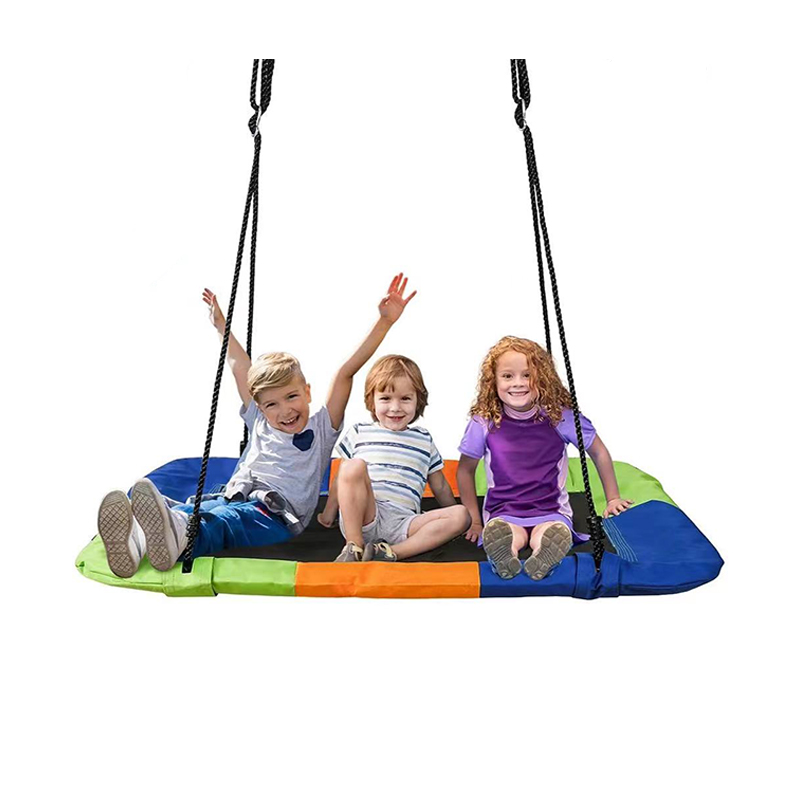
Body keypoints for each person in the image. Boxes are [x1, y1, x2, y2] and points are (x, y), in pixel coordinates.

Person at [96, 274, 416, 578]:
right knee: (202, 507)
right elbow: (239, 365)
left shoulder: (322, 426)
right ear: (260, 406)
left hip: (277, 515)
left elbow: (346, 372)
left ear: (307, 392)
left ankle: (177, 536)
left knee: (225, 522)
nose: (285, 410)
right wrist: (221, 326)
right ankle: (138, 542)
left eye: (292, 396)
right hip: (234, 495)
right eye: (272, 404)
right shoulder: (259, 419)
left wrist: (385, 322)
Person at [456, 336, 632, 581]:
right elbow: (465, 470)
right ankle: (504, 553)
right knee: (508, 533)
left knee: (550, 531)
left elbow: (598, 452)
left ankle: (545, 554)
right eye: (507, 376)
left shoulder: (560, 416)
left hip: (551, 509)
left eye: (527, 375)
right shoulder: (484, 421)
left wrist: (612, 498)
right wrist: (475, 521)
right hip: (503, 509)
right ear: (493, 381)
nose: (518, 383)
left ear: (543, 378)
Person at [318, 355, 471, 563]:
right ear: (372, 400)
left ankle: (390, 553)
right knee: (353, 466)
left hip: (405, 524)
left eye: (405, 398)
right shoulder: (359, 431)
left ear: (418, 400)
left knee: (461, 515)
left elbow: (441, 485)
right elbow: (342, 479)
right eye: (386, 399)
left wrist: (451, 515)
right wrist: (328, 513)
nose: (395, 407)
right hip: (365, 515)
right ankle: (354, 546)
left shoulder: (424, 439)